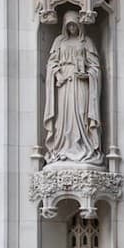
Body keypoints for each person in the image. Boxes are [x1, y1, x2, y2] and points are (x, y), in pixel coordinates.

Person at [44, 12, 103, 165]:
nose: (72, 28)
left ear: (80, 25)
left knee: (82, 113)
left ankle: (83, 145)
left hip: (81, 83)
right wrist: (58, 75)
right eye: (69, 25)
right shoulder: (59, 41)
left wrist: (88, 75)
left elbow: (95, 67)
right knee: (63, 116)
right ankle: (62, 148)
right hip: (64, 85)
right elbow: (51, 63)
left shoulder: (87, 42)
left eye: (74, 25)